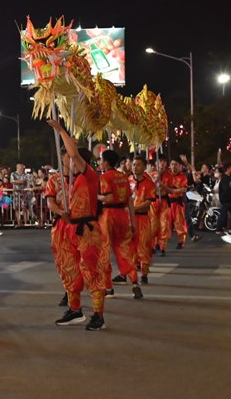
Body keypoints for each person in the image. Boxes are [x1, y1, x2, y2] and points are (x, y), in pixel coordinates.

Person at [47, 118, 110, 332]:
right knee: (69, 269)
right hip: (70, 228)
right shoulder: (69, 180)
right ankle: (75, 310)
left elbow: (74, 154)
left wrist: (60, 130)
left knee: (91, 271)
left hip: (87, 230)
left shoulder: (89, 175)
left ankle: (98, 316)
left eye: (67, 155)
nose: (65, 157)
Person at [98, 151, 143, 299]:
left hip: (108, 216)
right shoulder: (123, 177)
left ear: (106, 162)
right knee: (124, 250)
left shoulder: (105, 177)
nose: (100, 163)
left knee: (104, 251)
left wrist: (96, 196)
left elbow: (109, 198)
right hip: (122, 215)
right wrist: (132, 221)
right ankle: (135, 282)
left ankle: (108, 288)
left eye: (101, 160)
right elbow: (130, 201)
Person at [129, 156, 158, 284]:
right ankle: (131, 273)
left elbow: (148, 203)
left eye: (138, 165)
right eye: (134, 164)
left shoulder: (149, 183)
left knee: (143, 245)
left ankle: (144, 273)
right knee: (129, 246)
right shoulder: (127, 181)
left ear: (144, 167)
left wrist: (133, 208)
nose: (135, 167)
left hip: (142, 218)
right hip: (129, 218)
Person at [158, 159, 189, 253]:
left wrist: (172, 190)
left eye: (176, 164)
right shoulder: (166, 175)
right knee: (165, 224)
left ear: (179, 166)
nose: (174, 166)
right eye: (172, 164)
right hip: (167, 202)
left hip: (178, 203)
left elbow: (183, 189)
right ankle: (161, 245)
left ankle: (181, 241)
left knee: (179, 222)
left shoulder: (182, 177)